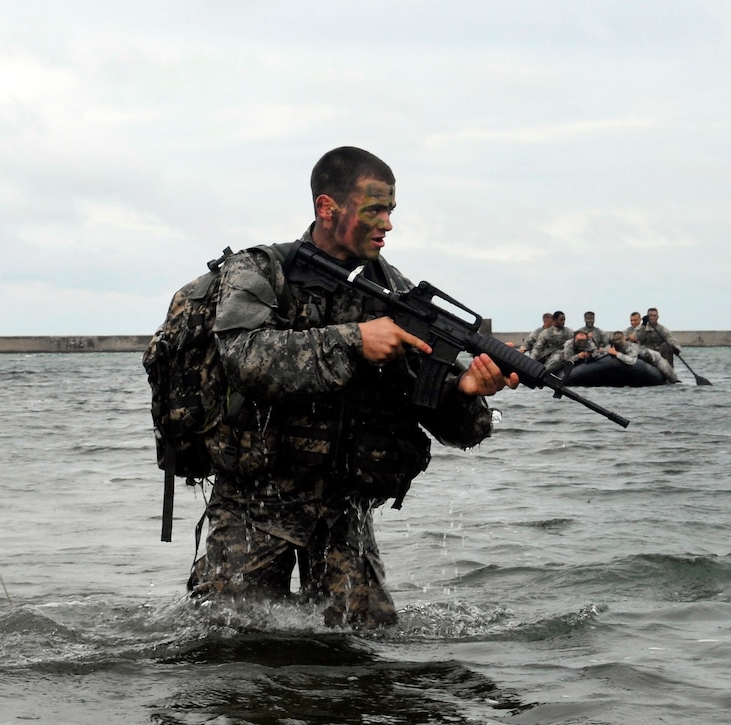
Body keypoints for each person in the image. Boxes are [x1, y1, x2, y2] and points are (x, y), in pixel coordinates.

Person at [187, 146, 519, 628]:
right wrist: (354, 339)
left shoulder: (396, 292)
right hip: (255, 508)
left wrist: (466, 391)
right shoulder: (261, 271)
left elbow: (444, 422)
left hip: (345, 512)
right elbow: (245, 359)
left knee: (369, 647)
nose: (387, 223)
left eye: (391, 211)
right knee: (227, 647)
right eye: (374, 210)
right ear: (328, 207)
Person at [607, 331, 678, 383]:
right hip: (644, 362)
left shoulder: (630, 347)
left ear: (623, 339)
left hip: (655, 359)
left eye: (619, 339)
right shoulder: (614, 346)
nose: (617, 341)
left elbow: (632, 361)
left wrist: (616, 353)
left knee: (672, 378)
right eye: (615, 340)